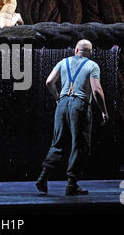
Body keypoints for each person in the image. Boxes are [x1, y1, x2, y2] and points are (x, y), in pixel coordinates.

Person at [36, 39, 109, 196]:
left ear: (76, 50)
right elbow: (96, 91)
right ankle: (71, 185)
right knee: (79, 144)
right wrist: (104, 110)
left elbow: (49, 81)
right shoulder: (92, 65)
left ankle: (43, 177)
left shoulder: (63, 62)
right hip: (80, 106)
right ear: (90, 53)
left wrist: (57, 98)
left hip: (62, 105)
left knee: (58, 142)